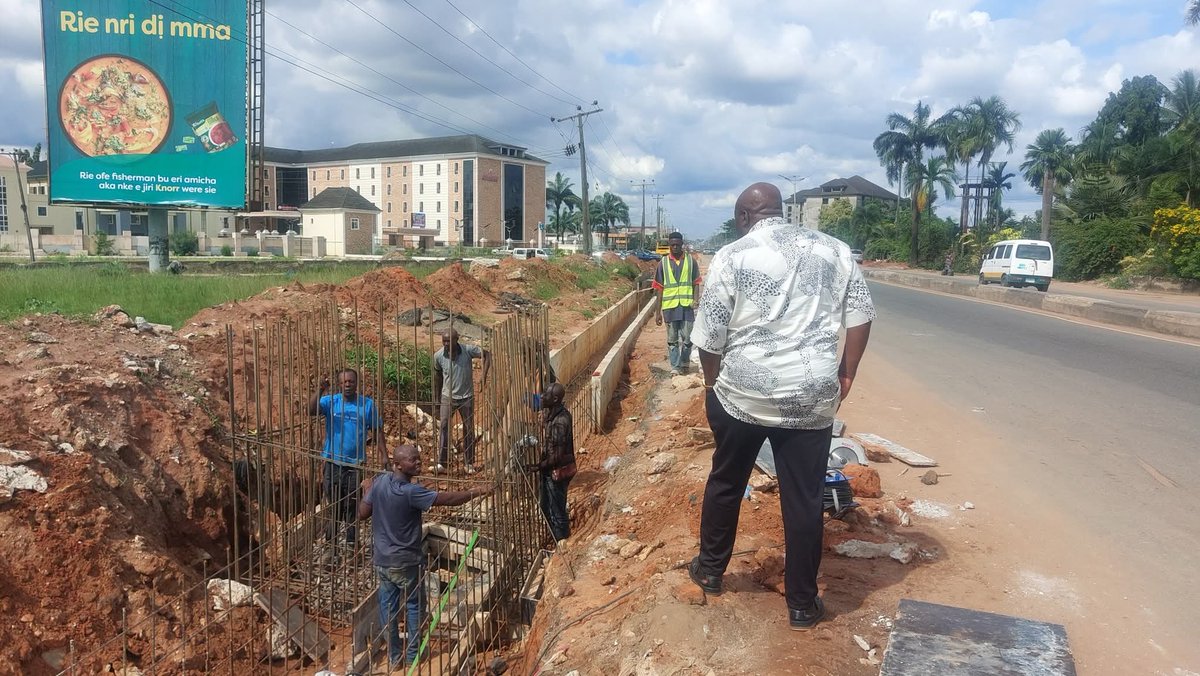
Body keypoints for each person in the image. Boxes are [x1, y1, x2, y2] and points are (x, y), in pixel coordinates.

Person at [688, 182, 875, 631]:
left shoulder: (731, 256)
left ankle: (711, 570)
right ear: (781, 212)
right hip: (810, 397)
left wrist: (713, 384)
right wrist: (846, 372)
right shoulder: (835, 250)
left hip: (741, 395)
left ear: (743, 217)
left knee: (727, 481)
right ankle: (803, 604)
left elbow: (709, 338)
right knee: (804, 497)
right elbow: (861, 316)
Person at [358, 443, 492, 668]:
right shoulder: (411, 492)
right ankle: (412, 656)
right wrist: (477, 491)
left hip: (383, 561)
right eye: (413, 460)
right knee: (413, 605)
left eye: (418, 458)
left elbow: (362, 513)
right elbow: (447, 499)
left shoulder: (380, 483)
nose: (419, 462)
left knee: (388, 609)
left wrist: (367, 490)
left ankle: (393, 657)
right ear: (398, 464)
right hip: (407, 561)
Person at [309, 368, 383, 545]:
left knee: (351, 506)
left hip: (354, 465)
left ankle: (351, 543)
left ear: (356, 383)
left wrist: (385, 457)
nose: (348, 385)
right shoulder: (330, 402)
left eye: (351, 381)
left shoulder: (367, 405)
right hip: (333, 463)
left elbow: (377, 430)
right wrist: (320, 389)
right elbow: (311, 410)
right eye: (344, 382)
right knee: (334, 506)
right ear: (339, 384)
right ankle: (331, 545)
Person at [432, 329, 491, 474]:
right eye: (444, 341)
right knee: (444, 426)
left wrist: (483, 376)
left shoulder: (467, 350)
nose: (446, 344)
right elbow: (437, 378)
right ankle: (442, 463)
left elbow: (487, 354)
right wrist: (437, 401)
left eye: (449, 341)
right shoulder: (438, 356)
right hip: (447, 397)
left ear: (456, 339)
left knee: (468, 429)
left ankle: (468, 463)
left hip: (466, 397)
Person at [524, 383, 575, 542]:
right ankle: (556, 539)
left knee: (557, 512)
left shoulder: (560, 422)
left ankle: (562, 544)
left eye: (545, 394)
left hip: (557, 472)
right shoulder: (554, 414)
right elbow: (531, 402)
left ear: (554, 399)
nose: (541, 397)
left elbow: (558, 456)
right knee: (546, 508)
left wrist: (538, 466)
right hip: (550, 471)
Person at [653, 231, 703, 373]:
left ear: (682, 244)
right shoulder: (663, 263)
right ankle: (675, 366)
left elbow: (696, 282)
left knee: (688, 338)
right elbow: (659, 289)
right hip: (670, 308)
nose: (675, 247)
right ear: (669, 245)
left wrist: (695, 300)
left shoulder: (690, 261)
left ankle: (685, 363)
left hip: (687, 307)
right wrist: (657, 313)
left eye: (677, 244)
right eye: (672, 245)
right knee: (672, 339)